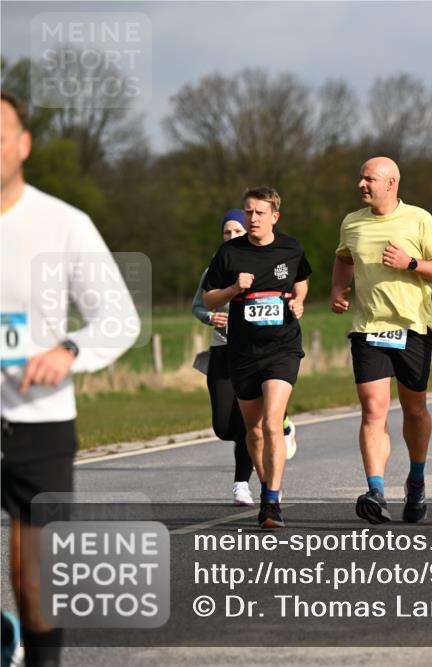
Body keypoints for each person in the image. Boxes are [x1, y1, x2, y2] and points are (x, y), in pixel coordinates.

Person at [1, 90, 139, 667]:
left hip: (39, 419)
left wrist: (69, 349)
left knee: (33, 583)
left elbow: (119, 318)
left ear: (23, 145)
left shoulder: (61, 223)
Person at [331, 157, 432, 525]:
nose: (361, 184)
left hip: (412, 328)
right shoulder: (352, 222)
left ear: (391, 183)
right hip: (368, 329)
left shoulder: (419, 219)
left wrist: (411, 263)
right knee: (373, 408)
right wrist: (338, 287)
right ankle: (376, 491)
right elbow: (344, 259)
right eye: (360, 177)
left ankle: (416, 480)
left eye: (369, 179)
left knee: (414, 409)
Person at [202, 186, 312, 529]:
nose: (252, 218)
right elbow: (208, 299)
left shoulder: (291, 248)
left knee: (270, 421)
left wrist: (299, 301)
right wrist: (235, 289)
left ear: (274, 217)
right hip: (243, 351)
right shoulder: (229, 253)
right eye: (248, 212)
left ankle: (271, 502)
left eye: (260, 213)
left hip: (282, 347)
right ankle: (268, 487)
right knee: (253, 429)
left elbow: (303, 279)